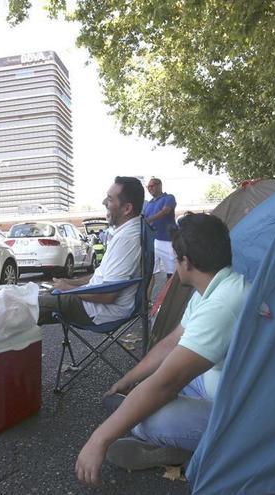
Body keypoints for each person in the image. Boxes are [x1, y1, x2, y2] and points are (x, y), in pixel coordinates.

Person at [74, 213, 249, 486]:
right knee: (147, 391)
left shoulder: (222, 304)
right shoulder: (215, 288)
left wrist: (100, 438)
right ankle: (173, 440)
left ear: (185, 262)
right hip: (216, 385)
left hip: (241, 414)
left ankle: (189, 450)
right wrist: (129, 379)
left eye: (176, 259)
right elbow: (172, 343)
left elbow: (168, 381)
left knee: (148, 418)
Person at [38, 176, 144, 326]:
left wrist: (68, 288)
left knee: (24, 306)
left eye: (110, 199)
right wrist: (70, 282)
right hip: (95, 305)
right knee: (28, 302)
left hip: (99, 311)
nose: (104, 202)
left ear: (127, 208)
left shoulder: (127, 239)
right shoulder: (128, 232)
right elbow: (101, 277)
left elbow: (108, 295)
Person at [142, 177, 177, 277]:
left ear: (159, 185)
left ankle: (172, 287)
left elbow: (166, 211)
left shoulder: (169, 198)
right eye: (148, 187)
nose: (149, 188)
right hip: (152, 241)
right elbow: (144, 218)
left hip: (167, 240)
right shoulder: (149, 204)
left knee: (172, 272)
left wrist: (149, 220)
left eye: (152, 186)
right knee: (150, 273)